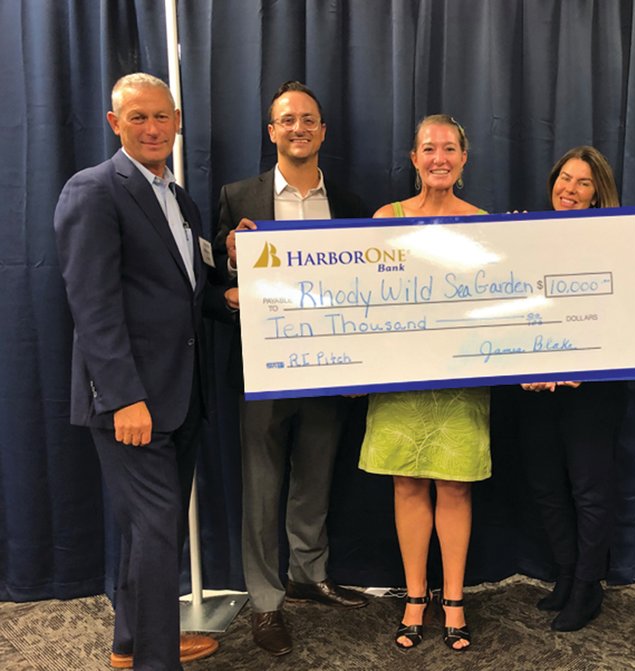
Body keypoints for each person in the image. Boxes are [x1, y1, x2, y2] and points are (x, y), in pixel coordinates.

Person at [53, 73, 223, 670]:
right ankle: (157, 660)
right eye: (138, 119)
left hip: (182, 394)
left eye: (162, 117)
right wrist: (123, 397)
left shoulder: (179, 198)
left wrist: (233, 286)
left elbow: (183, 289)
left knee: (156, 528)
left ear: (178, 121)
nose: (152, 129)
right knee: (155, 528)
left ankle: (132, 642)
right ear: (114, 123)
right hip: (132, 401)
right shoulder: (93, 190)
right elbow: (92, 306)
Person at [213, 80, 369, 658]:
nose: (298, 128)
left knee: (316, 477)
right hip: (263, 367)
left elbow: (364, 291)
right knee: (262, 485)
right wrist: (231, 284)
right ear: (271, 131)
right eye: (287, 120)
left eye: (309, 119)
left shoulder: (350, 203)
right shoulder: (237, 196)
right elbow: (212, 285)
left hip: (329, 367)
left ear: (323, 131)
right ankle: (265, 601)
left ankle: (309, 574)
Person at [358, 114, 490, 652]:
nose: (439, 157)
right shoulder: (383, 218)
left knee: (455, 484)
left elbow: (497, 301)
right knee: (406, 482)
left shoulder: (487, 223)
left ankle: (453, 598)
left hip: (460, 376)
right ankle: (415, 596)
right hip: (399, 375)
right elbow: (358, 299)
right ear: (414, 159)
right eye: (429, 148)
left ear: (464, 159)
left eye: (450, 148)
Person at [519, 146, 628, 632]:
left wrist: (584, 361)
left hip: (590, 387)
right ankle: (565, 573)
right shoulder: (525, 235)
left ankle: (589, 586)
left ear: (598, 192)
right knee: (546, 486)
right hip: (535, 386)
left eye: (583, 182)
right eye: (565, 178)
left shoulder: (615, 241)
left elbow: (619, 316)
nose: (570, 189)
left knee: (589, 489)